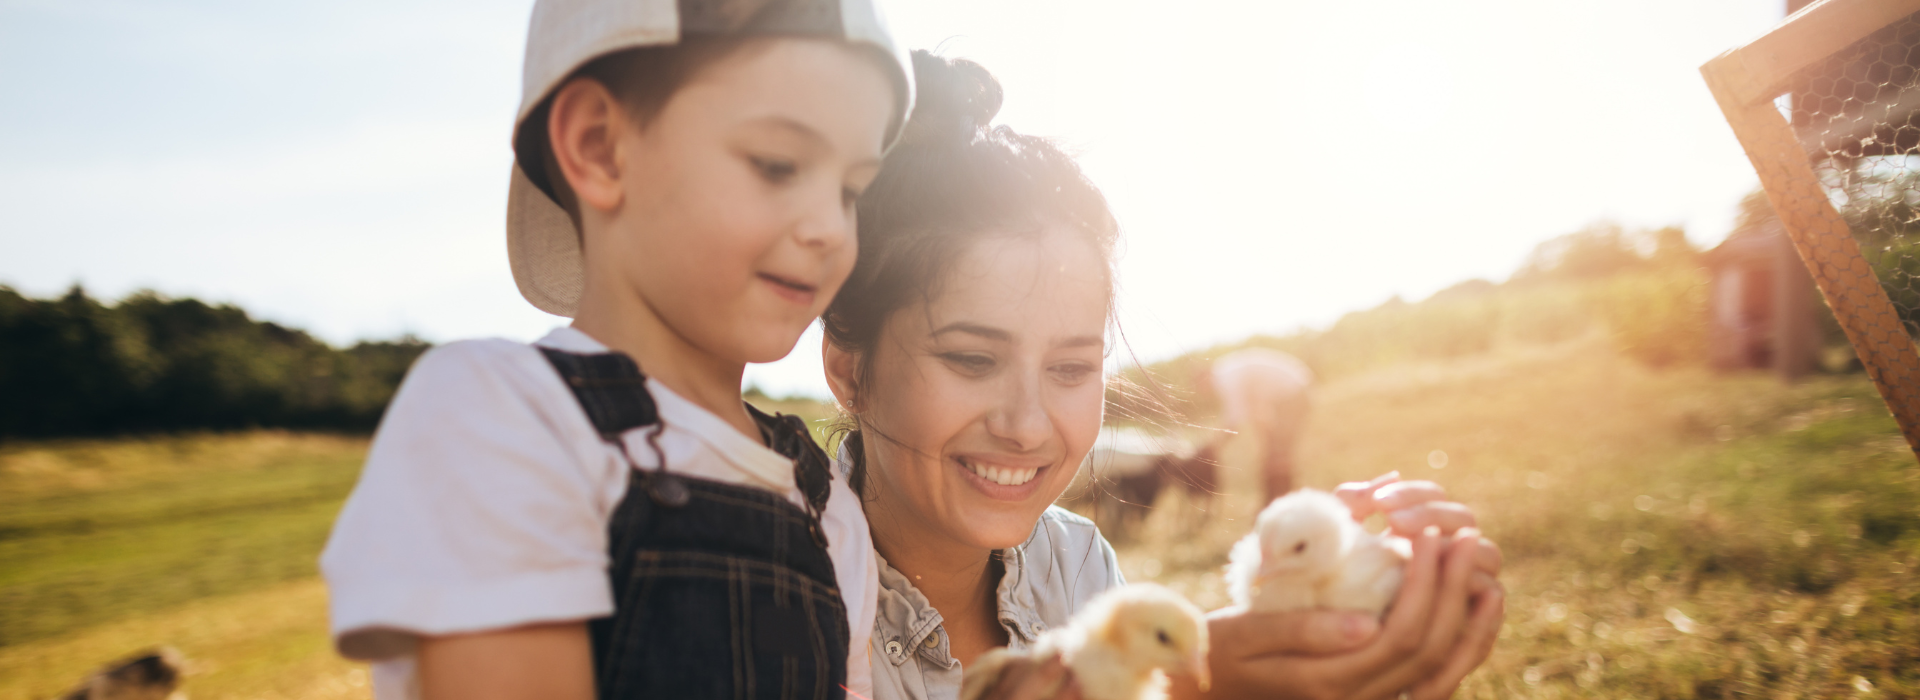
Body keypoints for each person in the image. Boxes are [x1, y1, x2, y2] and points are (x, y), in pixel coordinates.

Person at [821, 51, 1505, 700]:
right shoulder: (773, 594)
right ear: (848, 369)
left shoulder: (1079, 563)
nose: (1027, 425)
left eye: (1071, 367)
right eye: (972, 360)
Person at [318, 2, 913, 699]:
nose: (828, 229)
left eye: (850, 191)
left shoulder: (825, 509)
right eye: (778, 164)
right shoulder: (504, 417)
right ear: (599, 146)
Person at [1210, 348, 1314, 502]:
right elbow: (1253, 405)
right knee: (1275, 452)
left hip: (1293, 393)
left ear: (1204, 377)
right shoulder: (1228, 369)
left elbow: (1234, 418)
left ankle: (1283, 499)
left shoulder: (1225, 378)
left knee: (1279, 452)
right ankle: (1278, 498)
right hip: (1289, 393)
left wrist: (1214, 447)